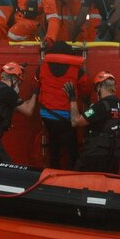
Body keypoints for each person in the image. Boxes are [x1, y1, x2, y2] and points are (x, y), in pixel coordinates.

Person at [37, 41, 91, 169]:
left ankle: (52, 171)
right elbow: (86, 88)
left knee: (53, 145)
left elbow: (38, 83)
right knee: (72, 148)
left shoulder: (42, 67)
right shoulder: (77, 70)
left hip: (47, 114)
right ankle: (72, 175)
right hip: (66, 117)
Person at [63, 71, 120, 173]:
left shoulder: (100, 106)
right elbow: (105, 120)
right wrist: (89, 105)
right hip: (114, 153)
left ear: (99, 88)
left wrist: (72, 99)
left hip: (96, 152)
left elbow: (75, 121)